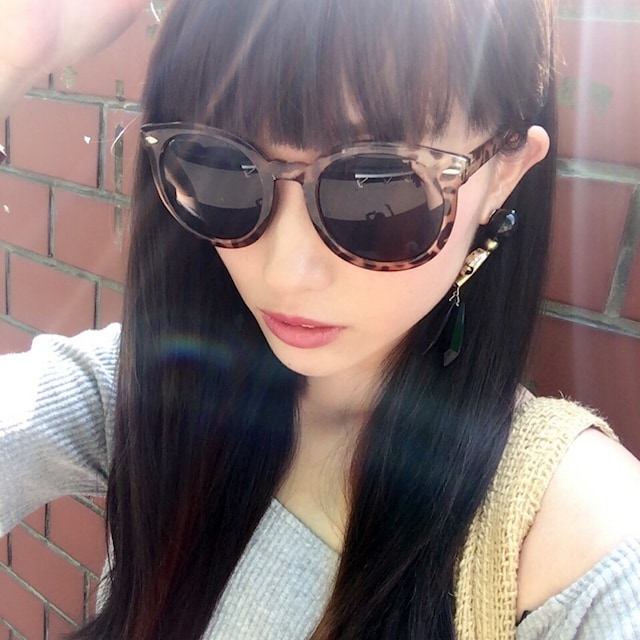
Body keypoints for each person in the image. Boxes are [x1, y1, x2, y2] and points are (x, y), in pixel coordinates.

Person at [1, 1, 639, 639]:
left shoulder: (577, 541)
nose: (285, 271)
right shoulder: (158, 389)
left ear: (504, 173)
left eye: (376, 188)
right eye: (221, 169)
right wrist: (21, 48)